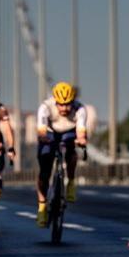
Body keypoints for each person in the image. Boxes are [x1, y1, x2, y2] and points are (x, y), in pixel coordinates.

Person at [35, 81, 87, 227]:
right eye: (61, 104)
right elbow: (41, 130)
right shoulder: (45, 107)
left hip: (69, 132)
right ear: (55, 101)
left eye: (68, 104)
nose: (64, 108)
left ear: (73, 101)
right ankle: (42, 206)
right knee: (44, 170)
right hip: (50, 133)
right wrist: (44, 137)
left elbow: (81, 130)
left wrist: (82, 140)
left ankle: (70, 181)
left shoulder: (80, 109)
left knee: (72, 152)